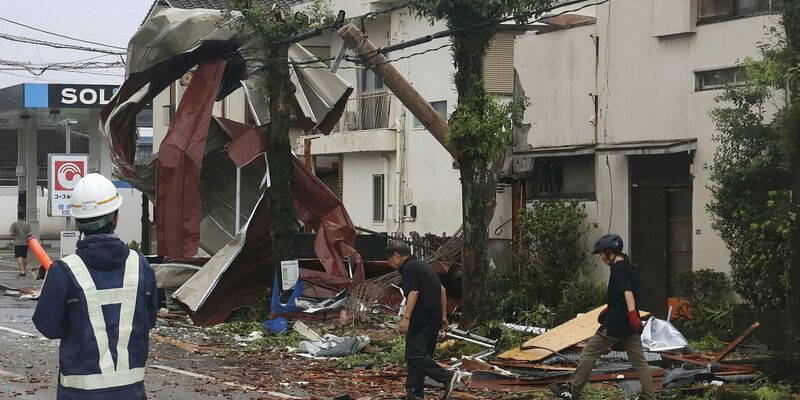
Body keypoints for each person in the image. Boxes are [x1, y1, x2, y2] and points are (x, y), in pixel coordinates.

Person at [32, 173, 158, 400]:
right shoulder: (140, 265)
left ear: (78, 222)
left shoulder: (63, 272)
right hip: (131, 393)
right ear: (116, 218)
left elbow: (48, 327)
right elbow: (148, 319)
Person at [550, 234, 654, 399]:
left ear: (609, 251)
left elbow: (628, 292)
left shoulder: (619, 268)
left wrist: (632, 313)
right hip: (628, 324)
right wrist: (617, 310)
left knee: (589, 352)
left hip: (617, 323)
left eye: (601, 254)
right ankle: (649, 396)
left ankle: (572, 391)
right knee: (639, 361)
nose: (600, 257)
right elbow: (625, 294)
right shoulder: (628, 266)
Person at [386, 241, 457, 400]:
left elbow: (413, 292)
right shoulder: (423, 266)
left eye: (389, 260)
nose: (389, 263)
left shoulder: (409, 267)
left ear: (397, 255)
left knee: (414, 355)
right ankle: (414, 394)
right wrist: (443, 316)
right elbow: (442, 290)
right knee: (420, 357)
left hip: (421, 316)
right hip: (434, 317)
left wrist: (406, 317)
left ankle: (446, 377)